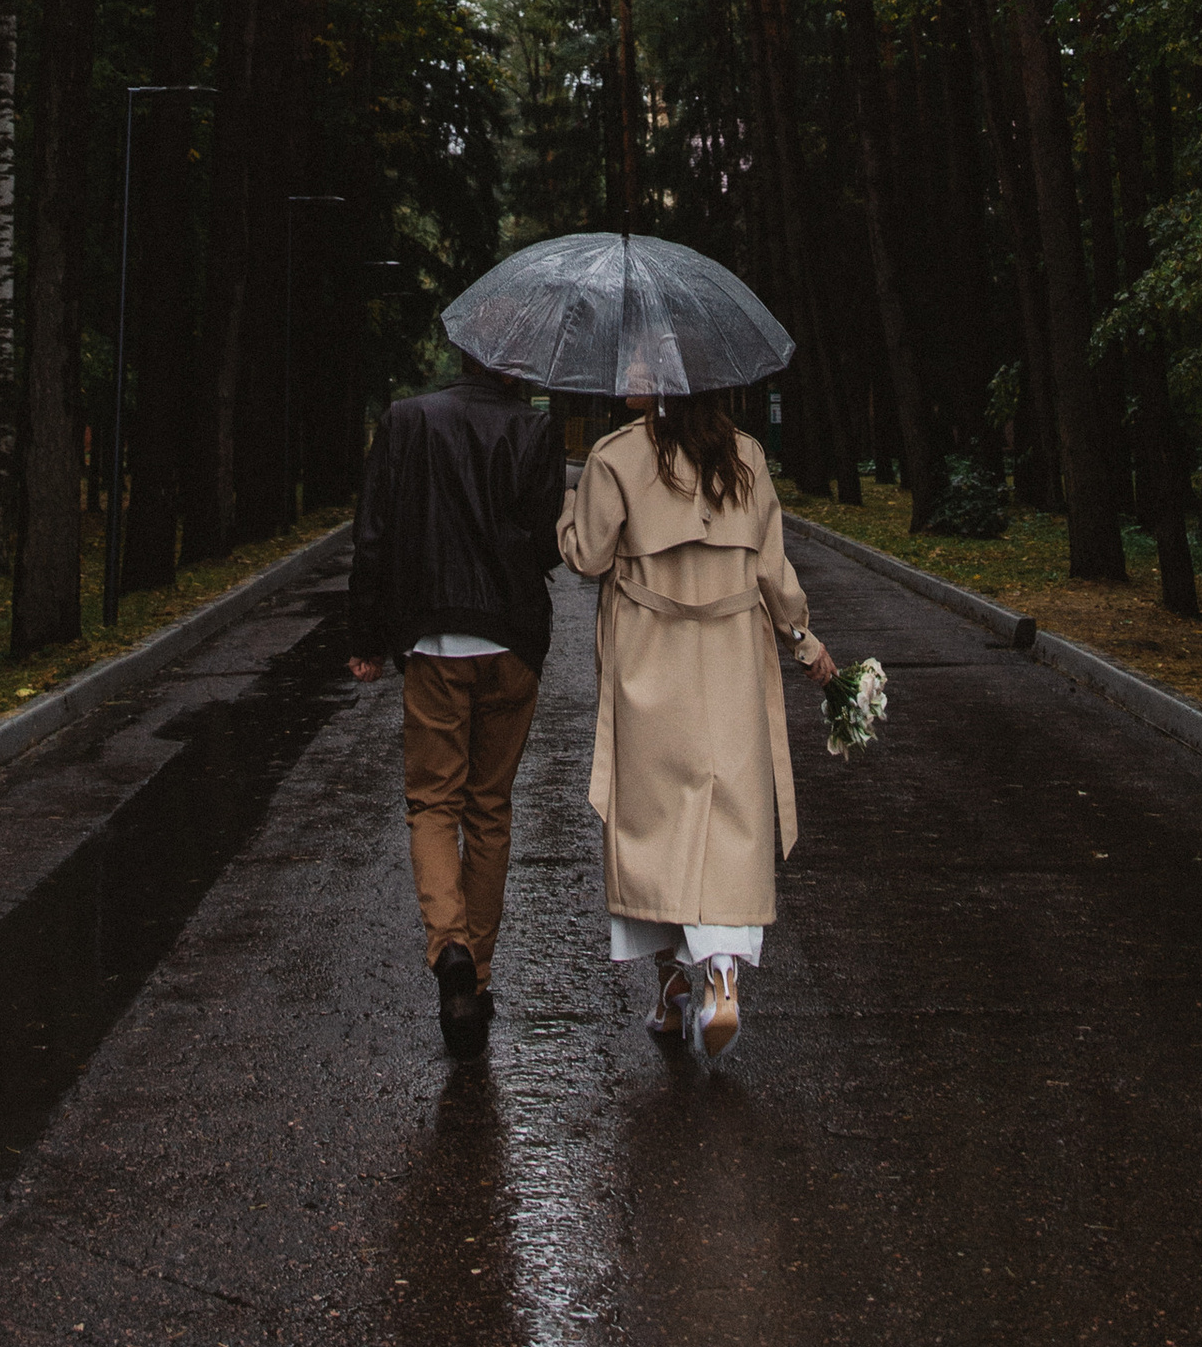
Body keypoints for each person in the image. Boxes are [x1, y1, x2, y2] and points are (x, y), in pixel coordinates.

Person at [557, 386, 836, 1062]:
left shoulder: (617, 456)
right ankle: (717, 975)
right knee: (728, 823)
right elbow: (772, 569)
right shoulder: (745, 456)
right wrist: (803, 639)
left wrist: (569, 510)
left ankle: (676, 986)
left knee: (658, 831)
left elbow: (587, 556)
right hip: (733, 660)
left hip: (651, 663)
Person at [348, 350, 564, 1059]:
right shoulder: (535, 431)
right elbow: (544, 547)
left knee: (433, 803)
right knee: (490, 808)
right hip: (510, 643)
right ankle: (482, 972)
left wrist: (368, 638)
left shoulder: (408, 420)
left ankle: (450, 950)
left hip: (435, 640)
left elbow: (373, 535)